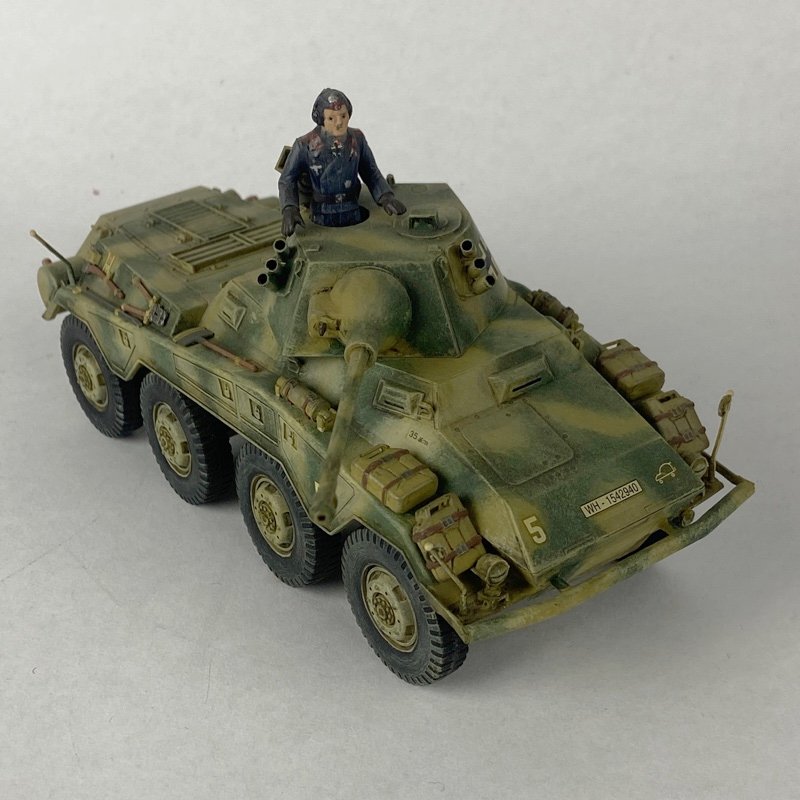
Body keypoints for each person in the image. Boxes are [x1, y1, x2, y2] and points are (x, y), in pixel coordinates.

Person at [279, 89, 406, 237]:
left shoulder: (357, 139)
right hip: (321, 213)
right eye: (331, 118)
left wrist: (385, 196)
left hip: (352, 208)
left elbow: (370, 171)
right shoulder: (304, 145)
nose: (339, 122)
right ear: (321, 119)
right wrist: (289, 207)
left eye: (343, 116)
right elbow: (287, 179)